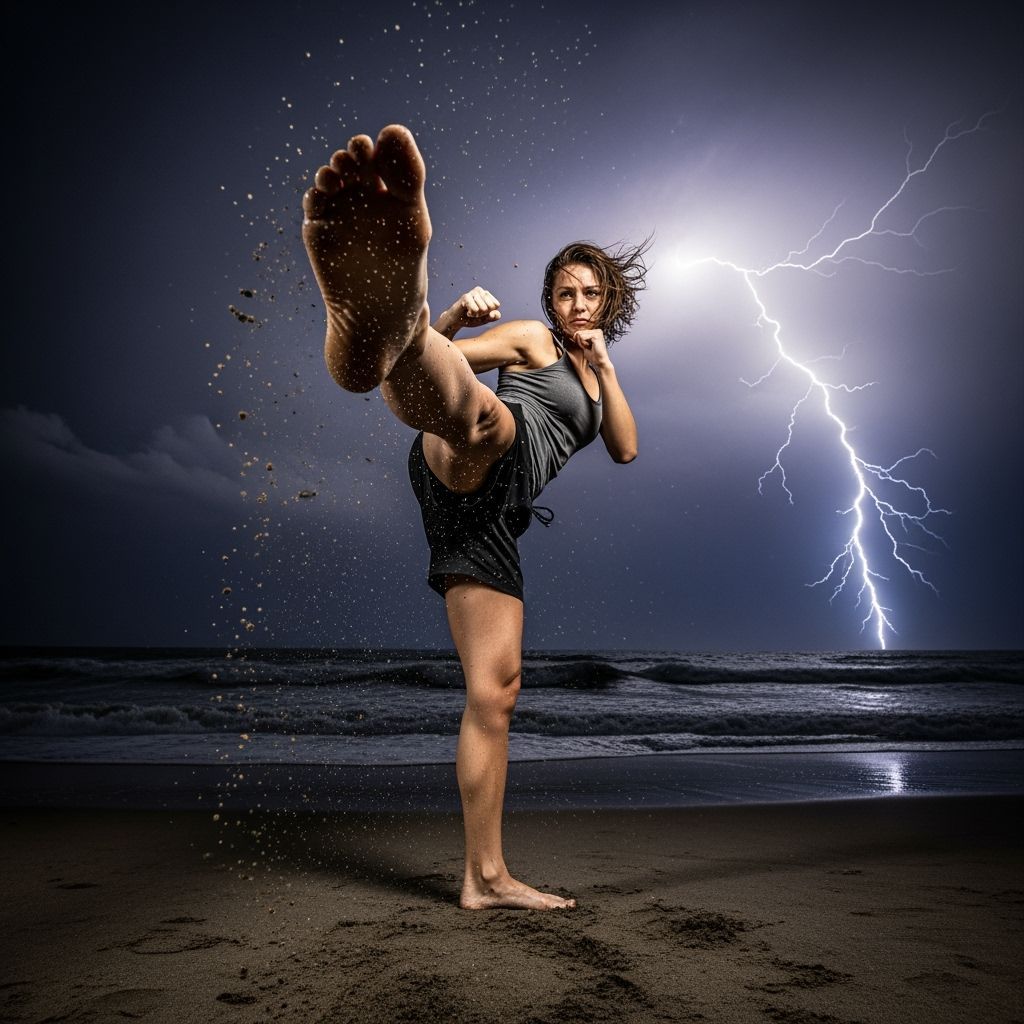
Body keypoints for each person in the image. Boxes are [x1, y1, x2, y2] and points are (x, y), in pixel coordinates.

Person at [302, 125, 647, 910]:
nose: (576, 303)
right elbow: (456, 354)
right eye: (564, 292)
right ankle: (385, 333)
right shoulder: (530, 341)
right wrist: (449, 312)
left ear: (609, 302)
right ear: (550, 303)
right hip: (466, 446)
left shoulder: (597, 382)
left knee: (497, 691)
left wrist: (605, 367)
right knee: (485, 422)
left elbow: (624, 447)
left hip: (496, 514)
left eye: (589, 293)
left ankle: (484, 879)